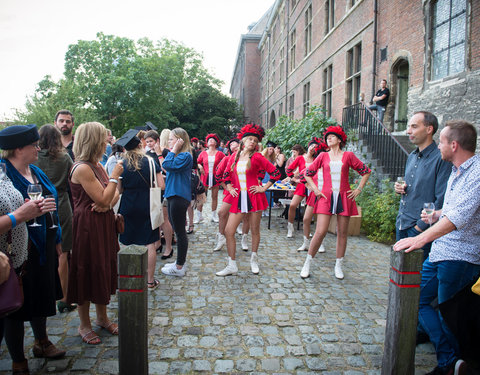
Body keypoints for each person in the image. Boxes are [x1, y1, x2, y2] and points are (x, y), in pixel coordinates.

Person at [393, 120, 480, 375]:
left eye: (441, 141)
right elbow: (453, 211)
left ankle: (455, 365)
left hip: (460, 257)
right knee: (418, 300)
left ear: (453, 145)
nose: (438, 146)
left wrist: (419, 239)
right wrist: (437, 214)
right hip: (442, 251)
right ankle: (450, 361)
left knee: (449, 313)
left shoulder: (476, 172)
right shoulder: (456, 170)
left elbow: (459, 218)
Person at [0, 124, 66, 374]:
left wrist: (57, 238)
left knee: (41, 296)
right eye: (33, 145)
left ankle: (42, 341)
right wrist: (26, 213)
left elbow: (53, 206)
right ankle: (18, 360)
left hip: (44, 243)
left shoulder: (35, 170)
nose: (38, 148)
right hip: (18, 249)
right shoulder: (3, 176)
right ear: (18, 149)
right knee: (16, 306)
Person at [68, 122, 123, 345]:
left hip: (102, 222)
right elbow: (104, 196)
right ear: (93, 141)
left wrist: (107, 203)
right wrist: (114, 177)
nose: (107, 142)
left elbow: (114, 195)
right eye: (103, 138)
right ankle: (84, 324)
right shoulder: (82, 167)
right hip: (87, 227)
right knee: (86, 269)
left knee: (102, 267)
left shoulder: (97, 165)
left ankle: (102, 318)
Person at [302, 125, 371, 279]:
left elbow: (366, 171)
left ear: (339, 139)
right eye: (327, 137)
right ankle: (307, 262)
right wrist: (315, 189)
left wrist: (359, 188)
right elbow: (307, 173)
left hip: (344, 197)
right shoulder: (322, 156)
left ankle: (338, 265)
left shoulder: (348, 155)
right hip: (325, 198)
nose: (329, 139)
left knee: (342, 233)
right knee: (320, 232)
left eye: (332, 136)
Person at [216, 124, 281, 276]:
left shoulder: (258, 157)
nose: (253, 142)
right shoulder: (234, 157)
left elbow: (275, 172)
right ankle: (232, 265)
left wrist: (263, 188)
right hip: (238, 197)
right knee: (228, 230)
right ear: (243, 141)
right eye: (250, 139)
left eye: (255, 140)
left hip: (255, 196)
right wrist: (229, 187)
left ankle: (254, 259)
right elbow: (225, 175)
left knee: (254, 229)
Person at [394, 111, 451, 261]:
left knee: (417, 279)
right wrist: (400, 189)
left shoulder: (441, 158)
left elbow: (441, 198)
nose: (408, 131)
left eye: (414, 126)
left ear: (429, 129)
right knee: (400, 275)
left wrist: (419, 228)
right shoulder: (412, 156)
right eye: (409, 127)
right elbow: (414, 187)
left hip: (420, 230)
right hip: (402, 223)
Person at [116, 129, 165, 289]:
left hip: (128, 204)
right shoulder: (151, 161)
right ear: (140, 145)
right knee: (149, 243)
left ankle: (129, 278)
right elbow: (161, 185)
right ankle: (150, 280)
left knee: (127, 242)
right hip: (147, 204)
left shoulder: (121, 164)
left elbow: (119, 189)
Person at [35, 124, 76, 313]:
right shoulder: (64, 156)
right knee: (63, 253)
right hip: (61, 203)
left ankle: (43, 296)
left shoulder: (34, 159)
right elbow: (72, 180)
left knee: (41, 250)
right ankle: (64, 298)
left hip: (37, 204)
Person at [160, 128, 193, 277]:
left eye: (171, 139)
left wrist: (173, 150)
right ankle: (179, 262)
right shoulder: (180, 156)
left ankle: (180, 266)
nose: (169, 142)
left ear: (180, 140)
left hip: (179, 196)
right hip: (174, 194)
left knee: (180, 232)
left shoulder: (185, 155)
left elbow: (167, 165)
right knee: (177, 230)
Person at [284, 138, 321, 239]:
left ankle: (307, 230)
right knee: (293, 205)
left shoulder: (317, 160)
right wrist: (294, 179)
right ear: (308, 147)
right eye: (312, 146)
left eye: (315, 147)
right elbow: (289, 169)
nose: (313, 148)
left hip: (313, 186)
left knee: (309, 209)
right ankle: (290, 227)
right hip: (302, 185)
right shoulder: (300, 158)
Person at [296, 139, 328, 252]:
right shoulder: (315, 165)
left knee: (320, 221)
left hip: (324, 195)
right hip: (314, 195)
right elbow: (302, 174)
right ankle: (305, 242)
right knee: (306, 219)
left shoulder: (328, 165)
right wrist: (309, 187)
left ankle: (321, 243)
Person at [196, 134, 225, 223]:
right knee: (201, 196)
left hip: (216, 177)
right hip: (204, 176)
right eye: (209, 140)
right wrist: (200, 166)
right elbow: (197, 162)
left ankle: (213, 215)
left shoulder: (220, 153)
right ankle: (199, 216)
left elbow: (225, 162)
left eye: (213, 140)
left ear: (216, 143)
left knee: (214, 196)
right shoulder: (203, 153)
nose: (211, 141)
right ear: (207, 143)